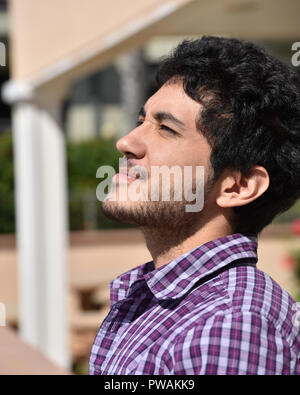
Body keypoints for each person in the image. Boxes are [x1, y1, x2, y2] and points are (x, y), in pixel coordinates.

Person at [89, 36, 300, 375]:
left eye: (166, 129)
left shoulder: (229, 324)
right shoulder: (162, 301)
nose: (126, 142)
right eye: (142, 120)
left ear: (239, 186)